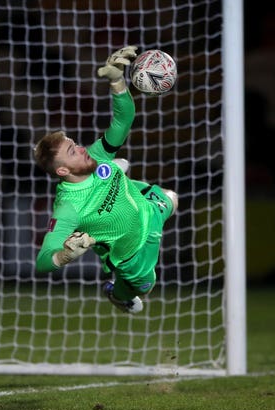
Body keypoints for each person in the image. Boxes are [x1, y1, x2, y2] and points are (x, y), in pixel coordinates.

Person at [33, 46, 178, 314]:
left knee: (172, 198)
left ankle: (118, 173)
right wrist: (64, 255)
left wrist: (116, 80)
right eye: (72, 151)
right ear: (62, 171)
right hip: (133, 257)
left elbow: (123, 120)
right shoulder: (68, 208)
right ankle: (117, 293)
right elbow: (42, 261)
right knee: (141, 291)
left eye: (75, 143)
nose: (81, 148)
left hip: (147, 212)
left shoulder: (96, 156)